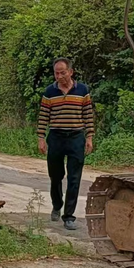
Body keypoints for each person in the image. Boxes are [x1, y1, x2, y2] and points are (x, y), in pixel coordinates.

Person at [36, 58, 94, 231]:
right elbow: (43, 116)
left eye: (62, 72)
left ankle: (69, 216)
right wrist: (41, 137)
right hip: (56, 137)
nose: (59, 76)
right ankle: (56, 205)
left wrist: (89, 137)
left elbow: (88, 115)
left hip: (76, 137)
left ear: (71, 72)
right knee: (56, 175)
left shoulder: (82, 90)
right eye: (56, 73)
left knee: (74, 178)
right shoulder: (50, 92)